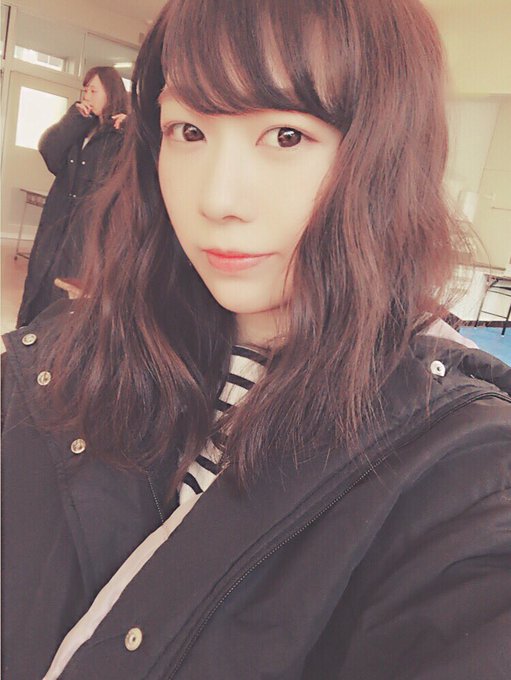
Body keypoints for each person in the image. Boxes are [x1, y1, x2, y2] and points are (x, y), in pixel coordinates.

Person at [2, 0, 510, 678]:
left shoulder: (461, 470)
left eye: (286, 136)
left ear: (386, 156)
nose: (217, 199)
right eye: (188, 131)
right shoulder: (65, 356)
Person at [16, 66, 128, 328]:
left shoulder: (122, 135)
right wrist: (73, 120)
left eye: (93, 90)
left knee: (68, 298)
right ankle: (28, 340)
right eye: (85, 90)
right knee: (40, 283)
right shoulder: (80, 126)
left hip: (88, 232)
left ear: (111, 92)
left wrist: (133, 130)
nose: (86, 96)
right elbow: (49, 151)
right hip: (57, 221)